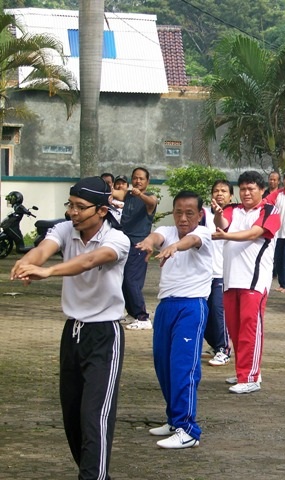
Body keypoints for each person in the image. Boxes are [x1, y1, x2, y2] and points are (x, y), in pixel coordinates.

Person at [10, 177, 129, 479]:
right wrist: (27, 263)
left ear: (101, 210)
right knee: (73, 419)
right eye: (70, 205)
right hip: (73, 333)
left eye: (80, 207)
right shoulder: (66, 230)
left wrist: (48, 271)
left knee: (94, 417)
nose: (72, 213)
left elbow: (90, 261)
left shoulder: (117, 239)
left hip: (104, 335)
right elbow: (42, 250)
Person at [137, 190, 213, 449]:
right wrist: (149, 241)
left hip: (191, 307)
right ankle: (174, 420)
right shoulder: (167, 231)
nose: (183, 218)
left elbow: (191, 240)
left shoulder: (203, 233)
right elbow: (156, 235)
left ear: (199, 214)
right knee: (164, 366)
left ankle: (188, 429)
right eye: (178, 212)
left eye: (189, 213)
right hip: (166, 307)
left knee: (183, 368)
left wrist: (174, 247)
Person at [212, 170, 281, 394]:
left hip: (254, 281)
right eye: (243, 189)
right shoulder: (233, 209)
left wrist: (226, 236)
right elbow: (223, 222)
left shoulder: (270, 210)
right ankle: (244, 371)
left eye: (251, 188)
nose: (246, 193)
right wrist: (217, 214)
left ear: (262, 190)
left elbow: (254, 233)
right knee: (235, 329)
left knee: (250, 330)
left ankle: (251, 377)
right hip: (231, 279)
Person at [111, 167, 158, 330]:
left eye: (141, 178)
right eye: (135, 178)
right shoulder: (127, 195)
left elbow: (152, 202)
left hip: (139, 244)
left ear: (147, 181)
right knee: (122, 280)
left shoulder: (149, 198)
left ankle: (143, 317)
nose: (138, 181)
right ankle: (132, 313)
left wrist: (141, 195)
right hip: (124, 243)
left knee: (132, 281)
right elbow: (114, 194)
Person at [202, 180, 233, 366]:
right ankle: (215, 344)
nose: (219, 194)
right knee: (203, 313)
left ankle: (224, 349)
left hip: (222, 272)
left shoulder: (235, 215)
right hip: (203, 273)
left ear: (230, 195)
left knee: (217, 312)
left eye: (224, 191)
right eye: (216, 190)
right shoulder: (204, 213)